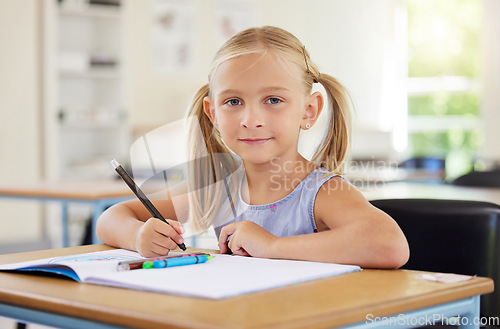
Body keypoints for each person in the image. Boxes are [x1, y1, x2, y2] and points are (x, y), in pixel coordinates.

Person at [97, 26, 409, 268]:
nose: (251, 119)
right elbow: (111, 218)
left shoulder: (319, 193)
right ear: (213, 113)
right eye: (233, 102)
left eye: (273, 100)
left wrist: (272, 247)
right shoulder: (216, 189)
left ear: (308, 110)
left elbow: (390, 244)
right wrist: (139, 237)